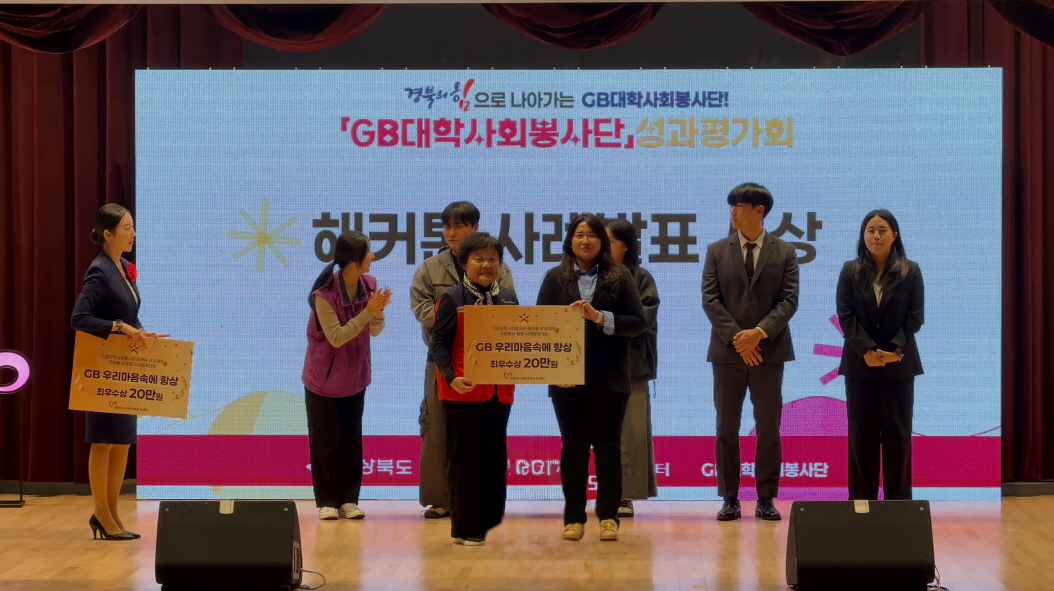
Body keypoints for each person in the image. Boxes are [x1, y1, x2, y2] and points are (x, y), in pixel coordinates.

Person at [537, 213, 645, 542]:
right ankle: (573, 518)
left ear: (603, 242)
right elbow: (541, 327)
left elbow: (637, 322)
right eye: (579, 234)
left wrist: (600, 317)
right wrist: (555, 371)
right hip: (566, 379)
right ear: (570, 240)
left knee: (608, 449)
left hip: (610, 377)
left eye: (593, 235)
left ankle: (609, 517)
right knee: (574, 449)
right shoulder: (554, 277)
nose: (585, 241)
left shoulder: (620, 275)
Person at [410, 201, 514, 520]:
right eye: (447, 226)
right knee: (439, 430)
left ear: (474, 228)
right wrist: (454, 317)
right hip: (443, 358)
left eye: (459, 225)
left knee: (485, 435)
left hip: (490, 359)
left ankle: (481, 502)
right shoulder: (430, 267)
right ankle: (441, 499)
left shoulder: (498, 266)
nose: (451, 232)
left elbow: (508, 306)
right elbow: (420, 307)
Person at [702, 182, 798, 522]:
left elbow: (788, 301)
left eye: (739, 206)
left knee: (768, 428)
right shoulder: (717, 250)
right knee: (726, 427)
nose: (733, 211)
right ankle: (729, 497)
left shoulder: (784, 251)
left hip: (768, 352)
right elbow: (710, 300)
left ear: (759, 211)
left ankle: (766, 498)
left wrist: (758, 334)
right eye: (731, 205)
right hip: (727, 354)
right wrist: (738, 339)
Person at [72, 204, 168, 541]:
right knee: (103, 442)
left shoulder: (125, 267)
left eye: (133, 227)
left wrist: (139, 331)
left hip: (124, 370)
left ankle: (111, 511)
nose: (133, 234)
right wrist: (117, 326)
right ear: (108, 234)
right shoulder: (99, 270)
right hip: (103, 369)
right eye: (127, 228)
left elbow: (128, 313)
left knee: (122, 442)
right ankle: (101, 511)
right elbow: (79, 318)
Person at [430, 232, 518, 546]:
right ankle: (466, 527)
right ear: (464, 263)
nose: (486, 265)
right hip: (462, 392)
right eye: (479, 259)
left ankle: (487, 522)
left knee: (493, 459)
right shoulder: (453, 298)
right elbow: (438, 344)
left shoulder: (508, 298)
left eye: (493, 259)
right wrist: (451, 378)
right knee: (464, 461)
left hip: (499, 392)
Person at [303, 231, 391, 521]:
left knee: (351, 442)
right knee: (326, 444)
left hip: (355, 378)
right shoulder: (324, 294)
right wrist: (368, 312)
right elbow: (337, 337)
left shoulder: (369, 284)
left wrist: (378, 312)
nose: (373, 256)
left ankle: (349, 500)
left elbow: (375, 330)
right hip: (323, 381)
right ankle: (327, 501)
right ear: (354, 259)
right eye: (368, 252)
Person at [837, 210, 924, 501]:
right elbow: (845, 315)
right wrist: (866, 350)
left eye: (882, 230)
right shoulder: (850, 270)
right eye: (871, 230)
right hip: (859, 365)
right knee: (861, 437)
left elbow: (915, 318)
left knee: (898, 436)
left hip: (899, 365)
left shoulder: (911, 271)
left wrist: (895, 350)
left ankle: (899, 506)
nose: (876, 236)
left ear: (894, 235)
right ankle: (862, 505)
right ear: (863, 235)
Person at [606, 219, 659, 517]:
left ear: (625, 245)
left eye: (610, 240)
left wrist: (605, 321)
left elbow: (643, 319)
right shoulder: (588, 276)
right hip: (595, 366)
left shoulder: (641, 277)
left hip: (632, 365)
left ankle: (625, 495)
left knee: (632, 434)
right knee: (600, 435)